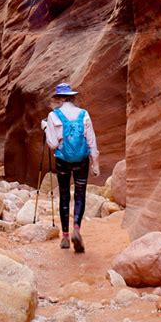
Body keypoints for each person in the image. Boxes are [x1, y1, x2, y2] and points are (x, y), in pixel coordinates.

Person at [42, 82, 100, 252]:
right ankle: (76, 228)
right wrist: (95, 163)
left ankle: (65, 237)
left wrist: (46, 128)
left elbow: (52, 144)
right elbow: (91, 141)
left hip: (63, 160)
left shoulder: (53, 116)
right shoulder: (84, 114)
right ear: (72, 97)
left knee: (65, 195)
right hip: (82, 160)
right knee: (80, 194)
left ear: (59, 99)